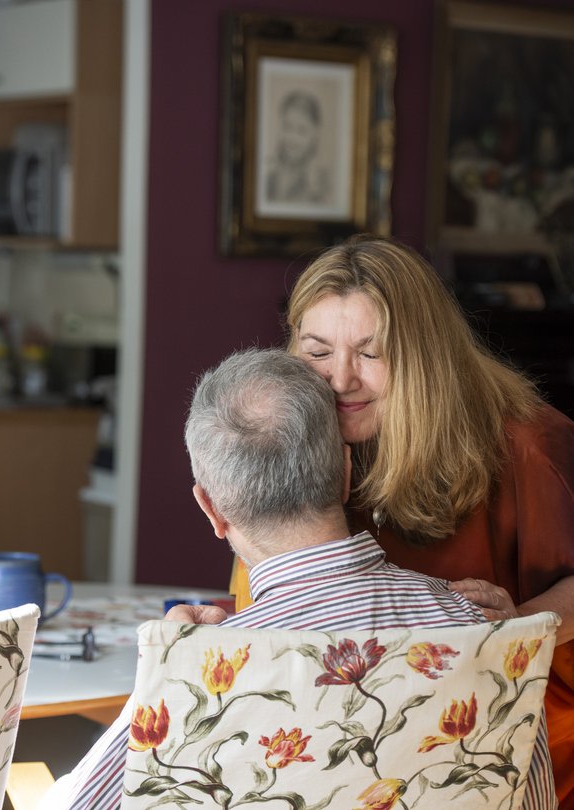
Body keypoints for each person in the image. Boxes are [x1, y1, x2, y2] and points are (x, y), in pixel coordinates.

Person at [41, 348, 555, 809]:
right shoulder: (482, 628)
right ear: (347, 471)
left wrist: (171, 669)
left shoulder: (202, 671)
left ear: (212, 509)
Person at [230, 235, 574, 806]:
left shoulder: (531, 447)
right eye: (317, 352)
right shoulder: (301, 441)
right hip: (374, 765)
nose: (340, 380)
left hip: (524, 762)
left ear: (425, 354)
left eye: (371, 353)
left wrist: (525, 622)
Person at [265, 89, 330, 205]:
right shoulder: (268, 178)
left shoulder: (321, 186)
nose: (292, 138)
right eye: (287, 127)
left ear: (315, 135)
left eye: (301, 131)